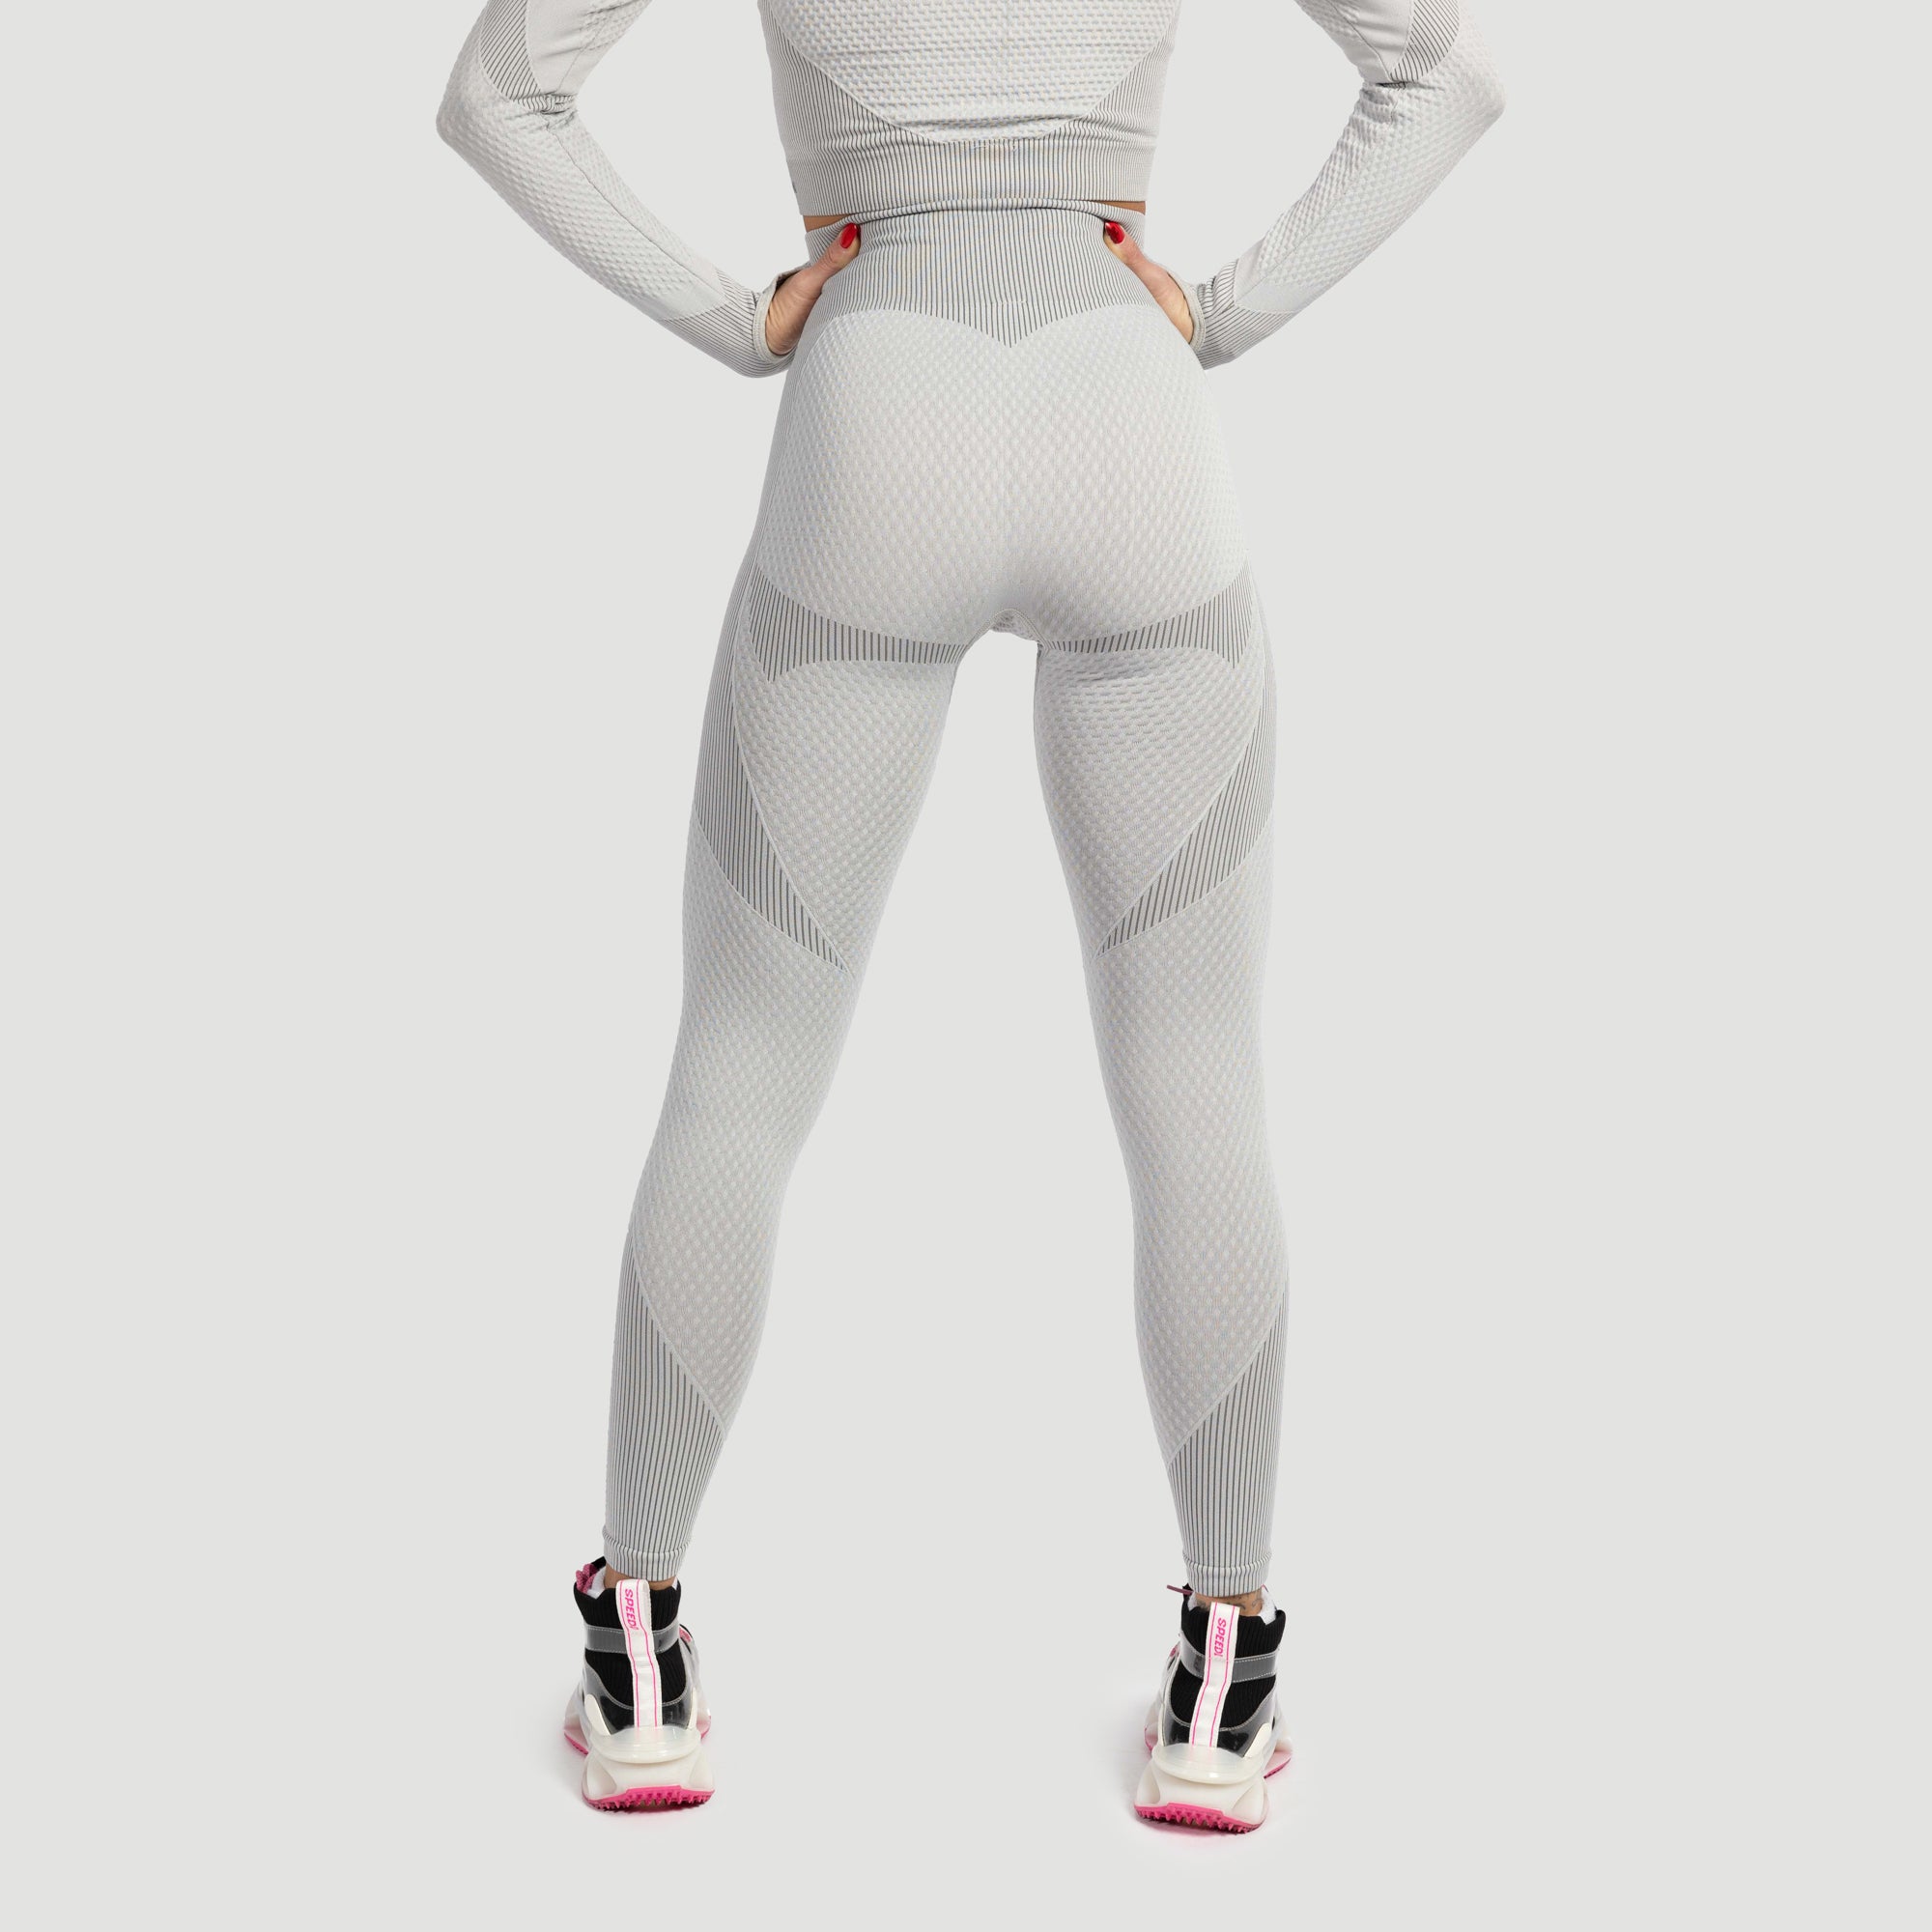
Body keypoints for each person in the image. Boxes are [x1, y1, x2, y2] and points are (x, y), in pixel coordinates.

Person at [438, 0, 1503, 1832]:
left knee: (742, 1073)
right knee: (1198, 1087)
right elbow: (1444, 74)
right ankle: (1225, 1680)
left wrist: (736, 316)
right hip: (1127, 412)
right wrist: (1221, 311)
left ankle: (638, 1659)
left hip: (877, 414)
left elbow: (497, 98)